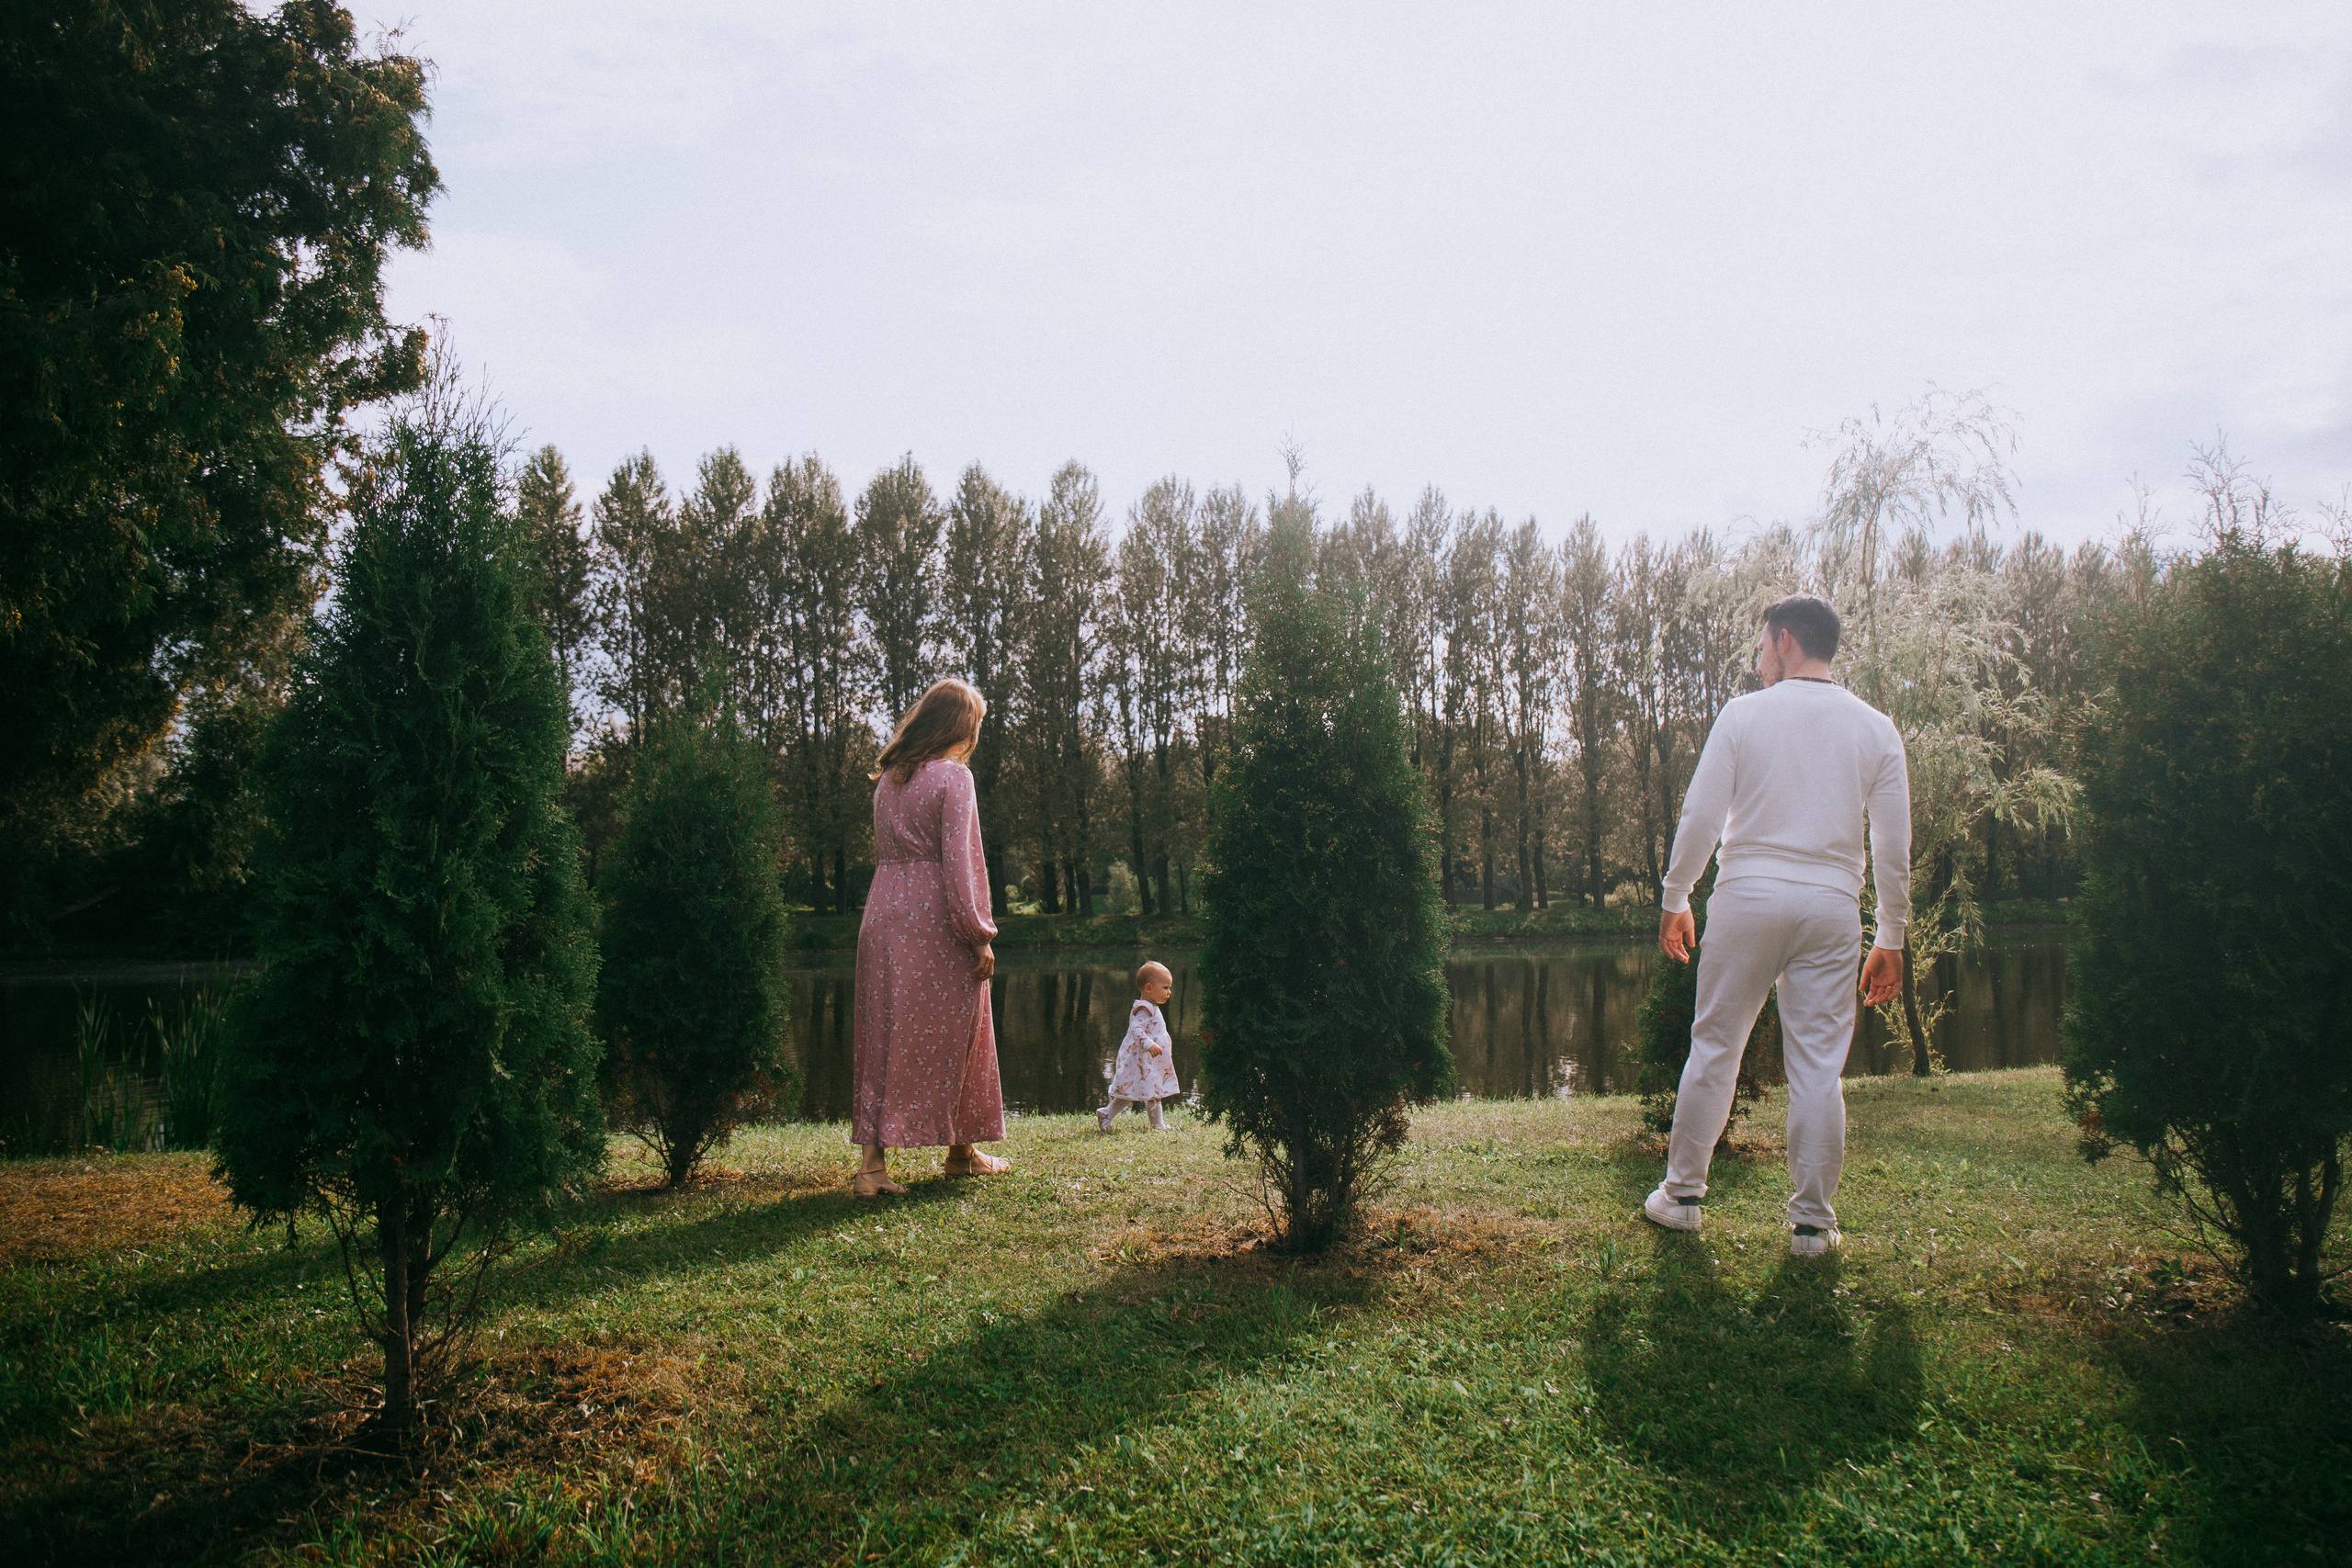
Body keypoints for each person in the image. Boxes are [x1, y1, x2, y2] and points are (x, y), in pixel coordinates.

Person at [1644, 593, 1909, 1256]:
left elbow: (1701, 815)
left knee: (1716, 1047)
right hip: (1831, 908)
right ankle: (1813, 1226)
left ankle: (1681, 1197)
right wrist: (1891, 936)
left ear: (1786, 640)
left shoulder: (1742, 716)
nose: (1761, 661)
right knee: (1818, 1065)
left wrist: (1678, 893)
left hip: (1748, 899)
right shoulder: (1876, 729)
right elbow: (1893, 846)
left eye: (1763, 646)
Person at [849, 679, 1011, 1196]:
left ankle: (880, 1166)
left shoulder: (889, 779)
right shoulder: (953, 779)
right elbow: (960, 864)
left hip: (883, 912)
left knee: (884, 1032)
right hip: (933, 915)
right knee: (964, 1024)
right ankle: (958, 1154)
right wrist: (977, 933)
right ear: (961, 726)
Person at [1098, 961, 1181, 1132]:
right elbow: (1136, 1031)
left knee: (1153, 1090)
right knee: (1132, 1091)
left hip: (1150, 1059)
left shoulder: (1152, 1007)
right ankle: (1107, 1114)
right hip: (1139, 1059)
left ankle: (1156, 1125)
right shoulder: (1143, 1009)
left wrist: (1165, 1051)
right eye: (1165, 988)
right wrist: (1150, 1045)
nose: (1169, 992)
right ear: (1149, 988)